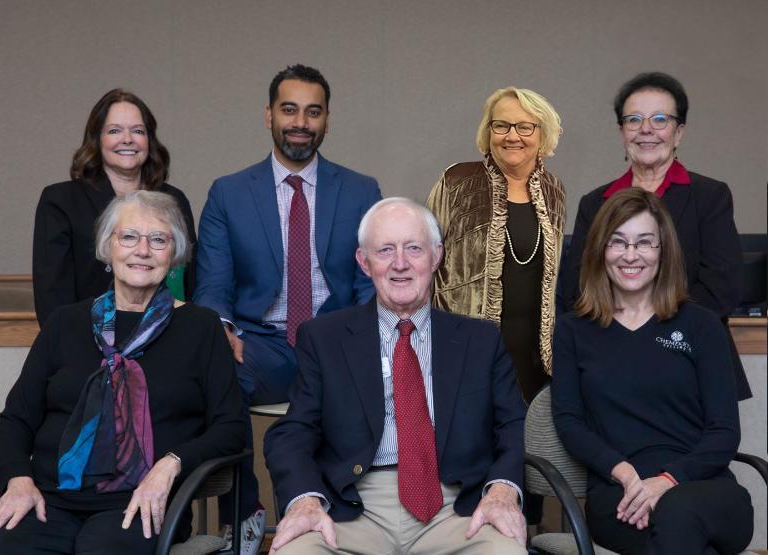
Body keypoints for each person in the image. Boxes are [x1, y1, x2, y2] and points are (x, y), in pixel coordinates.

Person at [264, 198, 527, 555]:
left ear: (436, 257)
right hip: (354, 505)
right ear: (364, 262)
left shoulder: (480, 340)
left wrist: (501, 491)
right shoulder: (323, 338)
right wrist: (305, 501)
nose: (400, 264)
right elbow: (293, 432)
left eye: (414, 248)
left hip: (455, 505)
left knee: (505, 552)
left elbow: (512, 425)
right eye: (385, 250)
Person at [0, 191, 245, 554]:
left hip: (141, 503)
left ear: (174, 256)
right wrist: (17, 479)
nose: (142, 250)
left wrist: (171, 465)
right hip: (49, 500)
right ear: (108, 249)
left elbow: (231, 428)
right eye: (128, 237)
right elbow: (15, 420)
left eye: (158, 240)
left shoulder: (200, 327)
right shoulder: (65, 322)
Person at [193, 64, 382, 550]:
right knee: (214, 369)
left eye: (313, 112)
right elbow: (213, 287)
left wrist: (365, 341)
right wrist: (222, 329)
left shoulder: (361, 191)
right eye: (289, 109)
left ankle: (342, 512)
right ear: (269, 115)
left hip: (337, 341)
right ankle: (247, 512)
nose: (301, 121)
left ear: (327, 120)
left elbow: (370, 283)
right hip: (263, 344)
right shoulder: (228, 193)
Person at [552, 187, 753, 555]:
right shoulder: (572, 330)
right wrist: (629, 476)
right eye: (618, 242)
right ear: (601, 249)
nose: (631, 255)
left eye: (645, 242)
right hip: (619, 496)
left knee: (680, 509)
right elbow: (569, 422)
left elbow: (724, 431)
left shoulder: (701, 325)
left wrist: (666, 481)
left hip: (705, 489)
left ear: (663, 251)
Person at [561, 71, 750, 400]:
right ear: (622, 132)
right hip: (609, 360)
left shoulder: (710, 196)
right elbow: (577, 285)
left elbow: (723, 287)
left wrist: (650, 332)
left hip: (690, 357)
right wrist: (623, 336)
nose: (646, 129)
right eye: (634, 120)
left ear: (679, 132)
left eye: (659, 119)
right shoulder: (595, 203)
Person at [427, 86, 565, 404]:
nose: (511, 136)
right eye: (501, 125)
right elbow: (422, 265)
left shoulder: (554, 190)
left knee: (524, 448)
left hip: (533, 359)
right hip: (463, 355)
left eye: (524, 127)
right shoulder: (456, 182)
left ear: (542, 134)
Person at [33, 88, 197, 327]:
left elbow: (190, 280)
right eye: (114, 130)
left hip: (167, 335)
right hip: (89, 341)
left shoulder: (174, 200)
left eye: (138, 131)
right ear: (97, 139)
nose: (128, 139)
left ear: (149, 140)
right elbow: (52, 295)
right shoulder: (60, 201)